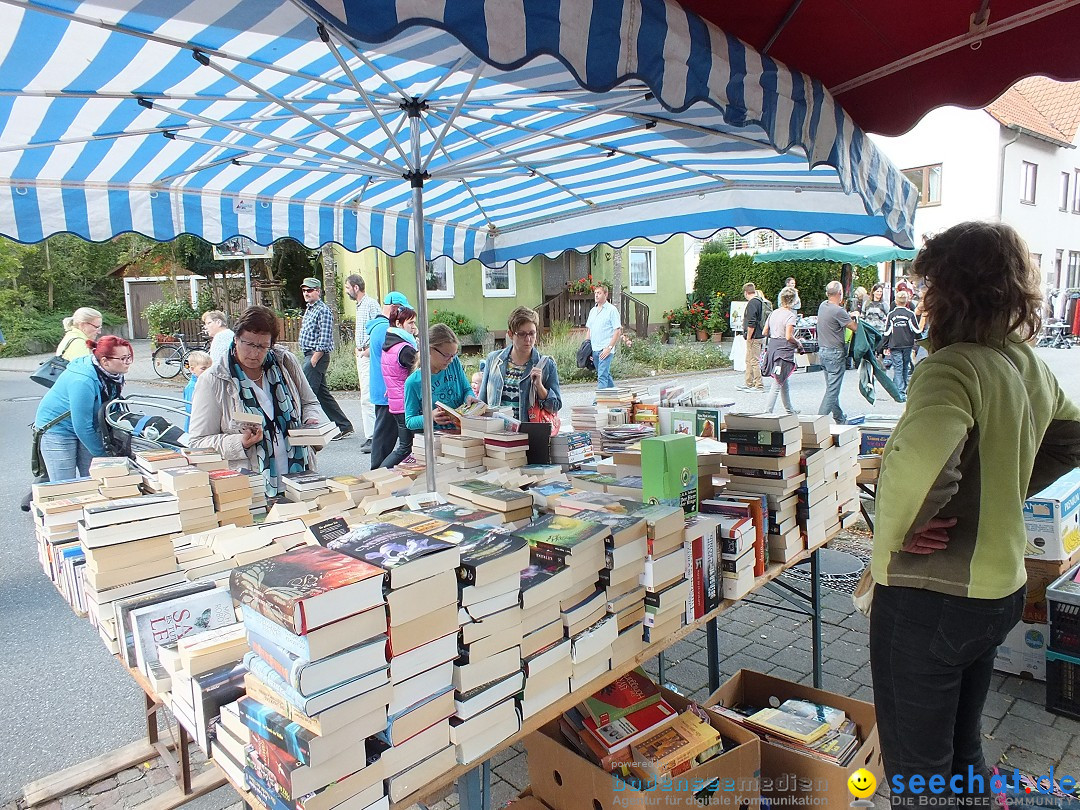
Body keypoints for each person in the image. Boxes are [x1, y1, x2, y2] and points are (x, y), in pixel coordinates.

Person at [869, 221, 1080, 809]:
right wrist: (1004, 490)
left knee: (917, 772)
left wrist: (901, 530)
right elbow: (1073, 438)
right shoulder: (1026, 364)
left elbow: (918, 460)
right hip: (998, 593)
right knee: (962, 750)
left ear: (947, 290)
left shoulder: (951, 367)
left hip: (929, 598)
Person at [188, 306, 326, 499]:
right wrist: (239, 442)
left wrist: (310, 421)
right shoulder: (214, 379)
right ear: (236, 339)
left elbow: (310, 403)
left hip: (298, 476)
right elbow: (198, 442)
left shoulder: (284, 362)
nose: (254, 353)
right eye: (248, 344)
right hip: (251, 486)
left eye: (262, 346)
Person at [34, 335, 132, 481]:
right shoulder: (83, 380)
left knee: (95, 479)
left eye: (129, 357)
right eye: (123, 358)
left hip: (89, 426)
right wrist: (104, 456)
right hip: (58, 430)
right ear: (105, 361)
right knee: (65, 484)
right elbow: (81, 426)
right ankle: (37, 500)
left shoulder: (113, 373)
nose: (128, 362)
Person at [479, 306, 563, 423]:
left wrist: (539, 387)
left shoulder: (546, 364)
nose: (528, 339)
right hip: (497, 434)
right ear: (510, 334)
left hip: (528, 435)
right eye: (522, 334)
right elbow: (482, 401)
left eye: (532, 333)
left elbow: (555, 406)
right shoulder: (494, 360)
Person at [298, 277, 354, 439]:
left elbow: (324, 336)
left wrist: (314, 360)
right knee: (322, 395)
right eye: (304, 290)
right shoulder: (310, 308)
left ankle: (302, 431)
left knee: (307, 395)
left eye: (309, 290)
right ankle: (343, 425)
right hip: (310, 355)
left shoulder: (323, 310)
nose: (306, 293)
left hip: (316, 357)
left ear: (318, 291)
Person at [404, 324, 475, 435]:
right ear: (429, 350)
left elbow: (467, 389)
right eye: (446, 355)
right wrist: (430, 417)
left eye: (454, 355)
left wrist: (470, 397)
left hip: (464, 432)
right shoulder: (413, 382)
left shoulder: (454, 363)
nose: (450, 360)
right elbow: (409, 421)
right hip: (437, 439)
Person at [368, 291, 411, 468]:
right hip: (389, 391)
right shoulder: (384, 329)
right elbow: (393, 361)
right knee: (385, 441)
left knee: (385, 438)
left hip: (385, 389)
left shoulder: (377, 327)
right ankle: (376, 475)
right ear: (395, 309)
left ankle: (378, 475)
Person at [379, 305, 419, 469]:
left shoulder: (390, 345)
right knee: (405, 448)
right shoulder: (405, 349)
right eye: (410, 323)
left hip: (396, 403)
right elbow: (418, 376)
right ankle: (379, 475)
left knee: (408, 447)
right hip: (406, 405)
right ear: (398, 323)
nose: (414, 327)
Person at [345, 273, 381, 452]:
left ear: (355, 287)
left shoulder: (370, 304)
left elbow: (380, 327)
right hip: (362, 353)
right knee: (364, 397)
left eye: (347, 287)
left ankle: (374, 437)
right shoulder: (360, 306)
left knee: (368, 397)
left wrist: (367, 351)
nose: (347, 291)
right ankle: (371, 435)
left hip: (368, 354)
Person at [816, 280, 858, 424]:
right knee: (832, 391)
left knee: (831, 387)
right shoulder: (838, 311)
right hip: (835, 353)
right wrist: (855, 316)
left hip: (823, 351)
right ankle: (817, 422)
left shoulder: (823, 306)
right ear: (840, 294)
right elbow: (854, 328)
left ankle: (839, 418)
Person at [761, 288, 800, 415]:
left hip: (772, 348)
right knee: (778, 381)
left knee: (783, 379)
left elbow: (765, 331)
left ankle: (789, 409)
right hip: (783, 351)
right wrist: (798, 342)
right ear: (794, 301)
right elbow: (789, 336)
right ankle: (767, 411)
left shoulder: (774, 313)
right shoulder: (790, 316)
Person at [882, 290, 921, 400]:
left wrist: (884, 345)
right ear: (907, 301)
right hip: (907, 344)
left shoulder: (892, 315)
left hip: (895, 345)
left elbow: (887, 332)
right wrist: (920, 340)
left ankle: (900, 390)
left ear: (896, 301)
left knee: (898, 367)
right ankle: (903, 388)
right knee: (905, 366)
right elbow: (916, 330)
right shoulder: (910, 314)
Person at [585, 284, 621, 390]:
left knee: (602, 377)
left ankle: (598, 402)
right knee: (605, 375)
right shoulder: (593, 311)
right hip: (595, 349)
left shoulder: (611, 310)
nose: (596, 295)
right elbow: (589, 330)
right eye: (595, 293)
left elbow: (617, 331)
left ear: (606, 294)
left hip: (605, 349)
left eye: (599, 293)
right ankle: (616, 400)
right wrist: (587, 349)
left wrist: (609, 348)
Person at [738, 283, 765, 392]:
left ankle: (758, 385)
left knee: (754, 361)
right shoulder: (760, 301)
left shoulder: (752, 303)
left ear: (746, 292)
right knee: (748, 360)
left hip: (754, 336)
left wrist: (749, 337)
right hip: (759, 334)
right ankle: (748, 383)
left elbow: (751, 323)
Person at [182, 350, 213, 430]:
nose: (207, 371)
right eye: (203, 368)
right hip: (196, 427)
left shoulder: (207, 383)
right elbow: (190, 409)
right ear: (192, 369)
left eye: (210, 368)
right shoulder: (192, 387)